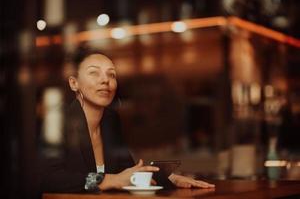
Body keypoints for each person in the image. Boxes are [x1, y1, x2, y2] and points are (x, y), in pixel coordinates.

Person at [39, 50, 215, 194]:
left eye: (111, 74)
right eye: (94, 73)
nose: (105, 80)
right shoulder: (57, 120)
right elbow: (52, 179)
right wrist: (109, 180)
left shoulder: (110, 120)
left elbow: (127, 171)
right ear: (74, 83)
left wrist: (170, 179)